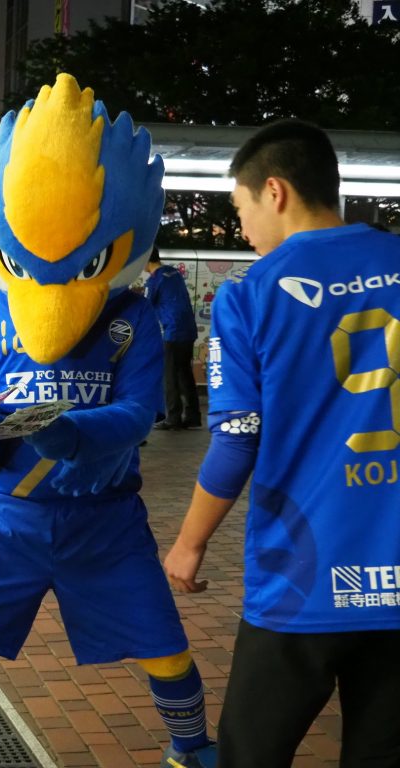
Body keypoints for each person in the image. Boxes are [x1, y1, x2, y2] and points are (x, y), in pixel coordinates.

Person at [0, 74, 216, 768]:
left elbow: (139, 414)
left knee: (164, 647)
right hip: (1, 514)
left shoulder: (132, 318)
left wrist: (70, 435)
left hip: (106, 520)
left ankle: (191, 748)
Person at [163, 118, 400, 767]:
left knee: (252, 753)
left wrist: (188, 544)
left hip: (303, 575)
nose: (242, 229)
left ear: (275, 191)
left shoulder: (251, 295)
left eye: (240, 209)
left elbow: (237, 440)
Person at [144, 247, 201, 430]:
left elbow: (146, 306)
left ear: (146, 260)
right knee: (184, 373)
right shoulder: (174, 273)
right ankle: (193, 416)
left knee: (169, 374)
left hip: (173, 331)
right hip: (188, 330)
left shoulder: (155, 279)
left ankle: (173, 417)